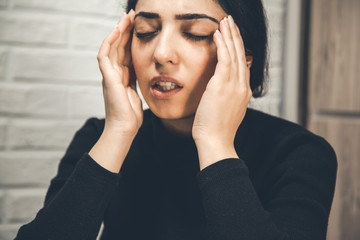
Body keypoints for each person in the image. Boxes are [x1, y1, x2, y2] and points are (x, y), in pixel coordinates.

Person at [14, 0, 337, 239]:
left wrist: (214, 142)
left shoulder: (300, 154)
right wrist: (119, 132)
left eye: (195, 33)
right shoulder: (100, 138)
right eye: (146, 31)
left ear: (243, 59)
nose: (161, 53)